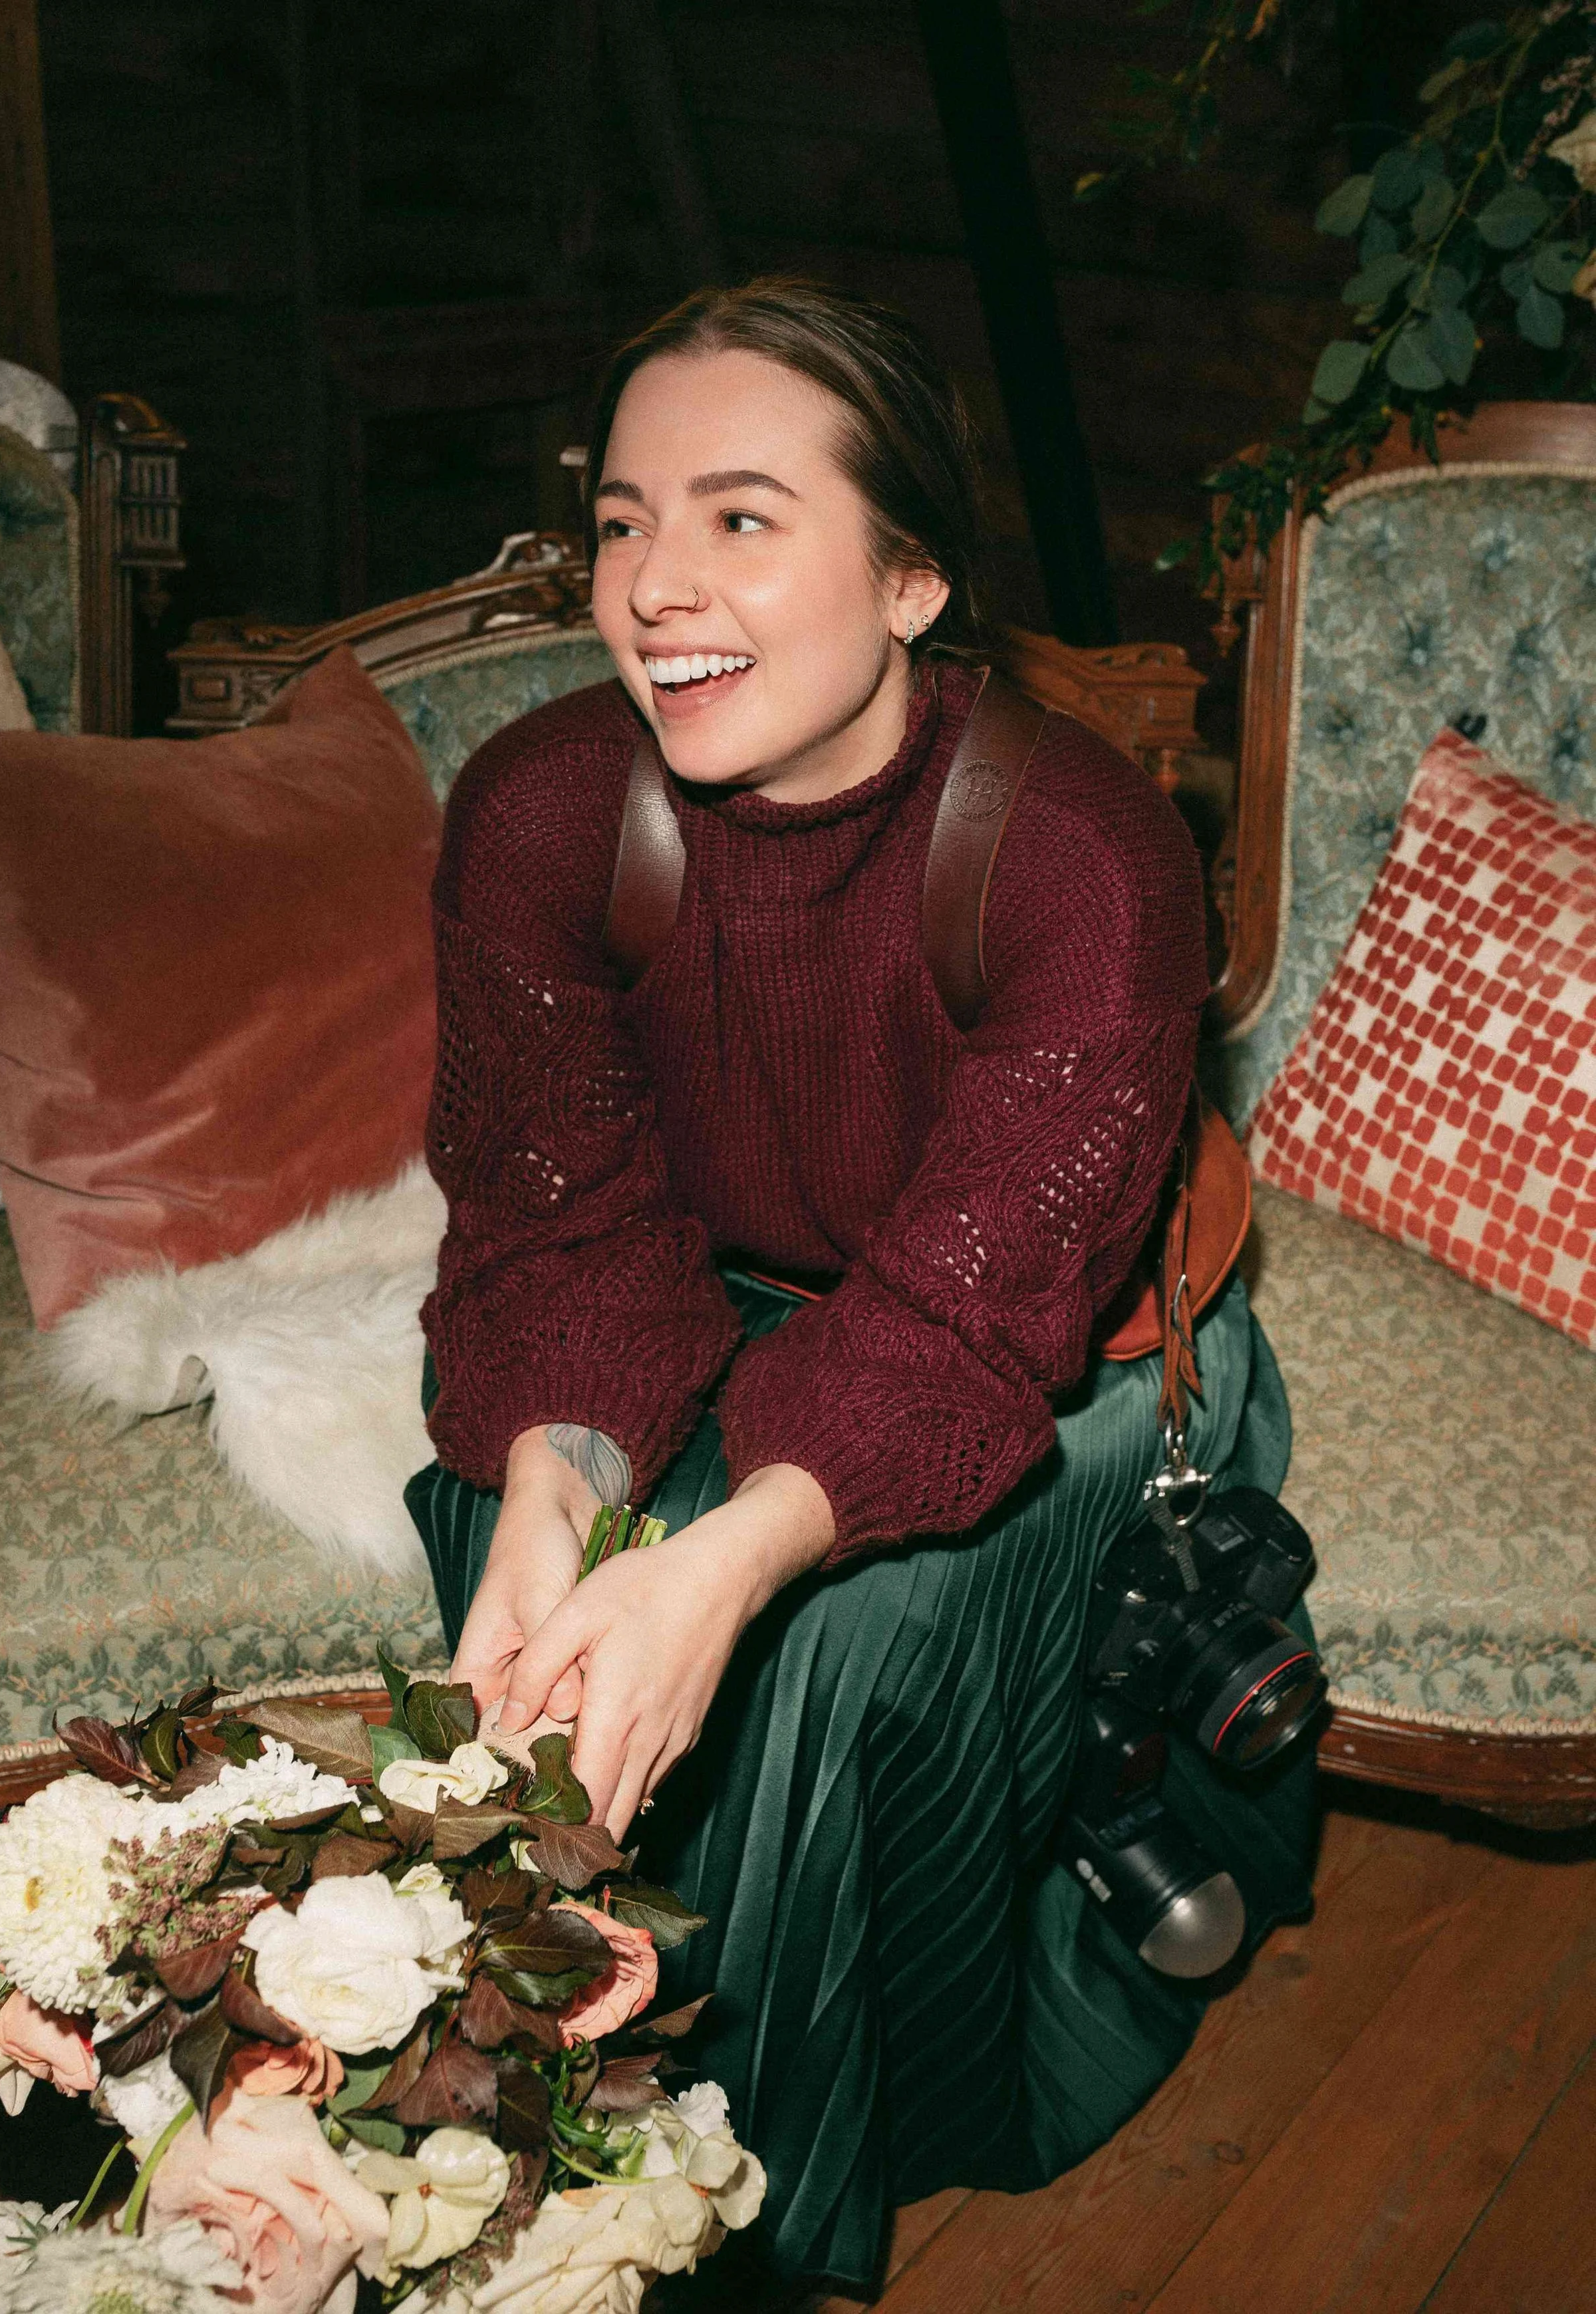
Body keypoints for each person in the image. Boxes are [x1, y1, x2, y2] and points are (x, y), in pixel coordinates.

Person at [404, 277, 1315, 2293]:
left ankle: (737, 2218)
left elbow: (971, 1322)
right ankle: (502, 2127)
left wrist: (732, 1557)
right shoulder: (545, 809)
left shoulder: (1080, 851)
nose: (654, 586)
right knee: (510, 1532)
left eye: (740, 517)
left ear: (911, 582)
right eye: (623, 521)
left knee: (824, 1635)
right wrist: (556, 1484)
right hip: (720, 1297)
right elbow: (558, 1228)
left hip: (1071, 1353)